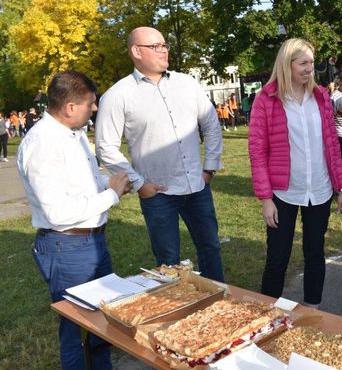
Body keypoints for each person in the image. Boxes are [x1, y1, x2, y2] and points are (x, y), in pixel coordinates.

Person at [17, 70, 131, 370]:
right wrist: (112, 195)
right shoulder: (43, 144)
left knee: (103, 321)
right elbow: (58, 212)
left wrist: (108, 184)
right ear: (70, 107)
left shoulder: (73, 135)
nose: (94, 108)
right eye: (90, 103)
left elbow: (78, 185)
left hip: (90, 241)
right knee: (75, 329)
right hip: (66, 246)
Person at [95, 26, 225, 282]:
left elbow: (210, 124)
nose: (163, 50)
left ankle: (219, 303)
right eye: (155, 46)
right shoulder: (118, 95)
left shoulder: (187, 84)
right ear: (136, 52)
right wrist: (140, 184)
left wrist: (210, 167)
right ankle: (177, 311)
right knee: (168, 262)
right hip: (158, 194)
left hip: (197, 187)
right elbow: (105, 147)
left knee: (211, 249)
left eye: (164, 44)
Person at [248, 38, 342, 308]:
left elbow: (331, 145)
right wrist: (266, 199)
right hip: (283, 192)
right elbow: (257, 152)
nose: (309, 68)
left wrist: (341, 187)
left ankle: (313, 312)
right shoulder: (266, 99)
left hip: (320, 189)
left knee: (315, 253)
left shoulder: (321, 97)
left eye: (312, 63)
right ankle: (268, 315)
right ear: (287, 64)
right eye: (303, 62)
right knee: (277, 258)